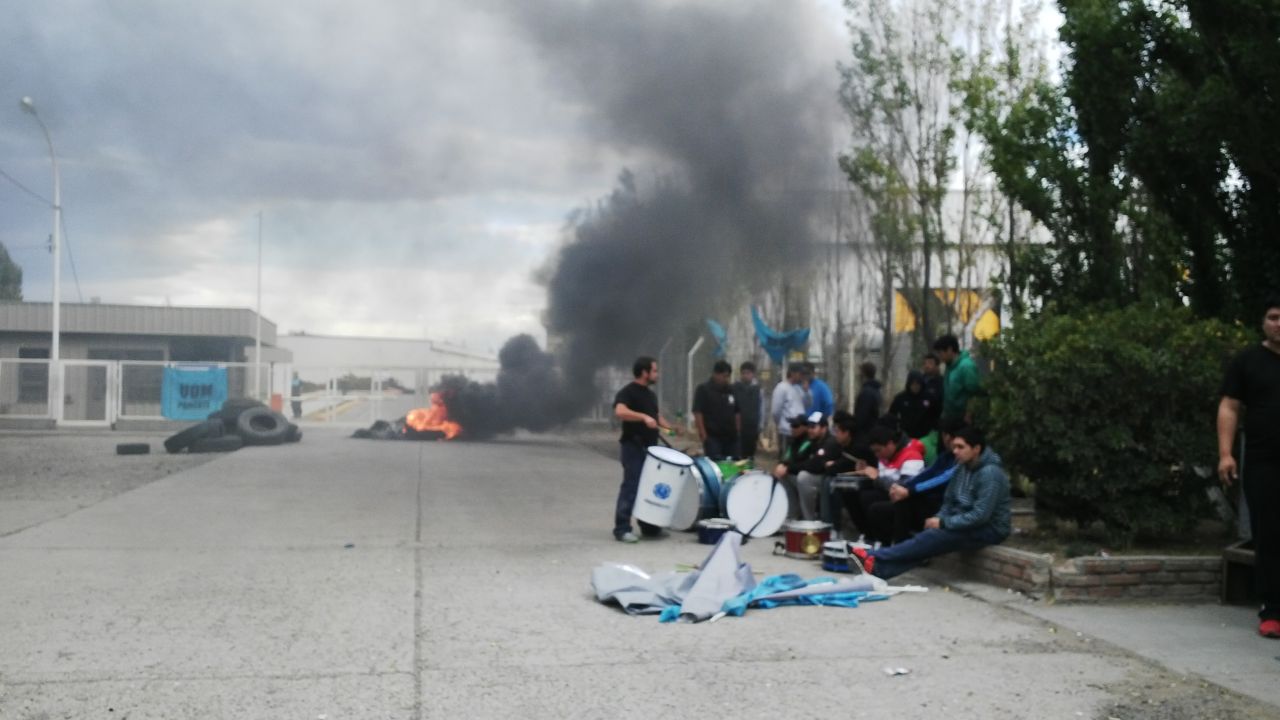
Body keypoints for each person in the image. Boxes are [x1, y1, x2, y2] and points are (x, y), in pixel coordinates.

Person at [853, 426, 1011, 579]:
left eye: (961, 447)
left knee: (934, 538)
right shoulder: (961, 468)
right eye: (954, 446)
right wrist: (939, 517)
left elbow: (980, 515)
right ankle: (880, 569)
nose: (955, 451)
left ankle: (874, 557)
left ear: (976, 449)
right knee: (930, 537)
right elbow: (949, 501)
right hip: (963, 520)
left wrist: (943, 522)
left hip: (989, 528)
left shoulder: (990, 474)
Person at [1218, 296, 1280, 638]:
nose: (1279, 324)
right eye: (1273, 317)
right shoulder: (1248, 361)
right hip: (1263, 462)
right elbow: (1229, 407)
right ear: (1263, 322)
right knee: (1269, 533)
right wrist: (1226, 454)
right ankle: (1271, 610)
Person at [866, 417, 964, 545]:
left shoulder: (961, 463)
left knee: (903, 503)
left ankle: (901, 550)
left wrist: (909, 490)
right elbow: (927, 474)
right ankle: (886, 548)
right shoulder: (945, 456)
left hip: (942, 506)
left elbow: (941, 479)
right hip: (925, 500)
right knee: (877, 508)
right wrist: (905, 488)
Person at [612, 356, 677, 543]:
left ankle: (649, 527)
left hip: (650, 449)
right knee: (631, 486)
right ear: (644, 372)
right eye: (655, 371)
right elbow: (620, 411)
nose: (658, 374)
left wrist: (671, 428)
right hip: (633, 446)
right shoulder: (628, 392)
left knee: (648, 488)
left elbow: (656, 417)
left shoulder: (650, 395)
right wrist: (642, 417)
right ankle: (622, 528)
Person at [841, 424, 926, 545]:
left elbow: (903, 488)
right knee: (851, 493)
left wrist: (878, 478)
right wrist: (866, 472)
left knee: (874, 506)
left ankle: (886, 543)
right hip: (889, 492)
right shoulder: (885, 456)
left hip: (908, 501)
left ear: (890, 444)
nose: (877, 455)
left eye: (878, 451)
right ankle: (869, 536)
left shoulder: (912, 456)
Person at [795, 412, 843, 522]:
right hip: (820, 476)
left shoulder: (830, 442)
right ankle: (795, 516)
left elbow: (816, 465)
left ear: (824, 428)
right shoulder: (812, 441)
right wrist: (788, 466)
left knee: (803, 477)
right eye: (809, 427)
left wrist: (793, 467)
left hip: (829, 477)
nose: (810, 430)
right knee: (789, 475)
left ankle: (810, 520)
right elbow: (801, 459)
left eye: (813, 427)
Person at [772, 413, 816, 520]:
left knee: (800, 477)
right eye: (791, 425)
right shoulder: (793, 441)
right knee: (780, 477)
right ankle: (791, 515)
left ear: (805, 427)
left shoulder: (810, 442)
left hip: (807, 478)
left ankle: (808, 518)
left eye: (796, 426)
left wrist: (787, 468)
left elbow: (805, 463)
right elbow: (787, 458)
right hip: (793, 475)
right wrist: (781, 466)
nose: (792, 428)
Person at [693, 360, 739, 460]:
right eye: (724, 376)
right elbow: (698, 412)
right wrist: (703, 435)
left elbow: (737, 412)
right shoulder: (703, 389)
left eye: (728, 376)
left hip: (731, 438)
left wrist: (737, 432)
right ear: (715, 374)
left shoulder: (731, 390)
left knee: (733, 465)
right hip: (713, 437)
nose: (726, 379)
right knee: (716, 465)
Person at [932, 335, 982, 424]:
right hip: (950, 418)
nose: (940, 357)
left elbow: (974, 393)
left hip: (963, 420)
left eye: (941, 353)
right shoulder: (949, 367)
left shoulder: (966, 367)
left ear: (950, 350)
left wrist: (969, 413)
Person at [770, 363, 807, 456]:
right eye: (800, 374)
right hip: (787, 431)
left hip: (801, 429)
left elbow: (808, 404)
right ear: (792, 373)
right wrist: (782, 424)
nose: (801, 376)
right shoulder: (781, 387)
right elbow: (775, 411)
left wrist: (807, 391)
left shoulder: (799, 388)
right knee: (786, 456)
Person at [888, 370, 934, 440]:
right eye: (913, 384)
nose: (915, 386)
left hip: (924, 436)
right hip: (906, 436)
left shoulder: (928, 397)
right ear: (909, 384)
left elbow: (935, 414)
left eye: (918, 384)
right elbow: (891, 415)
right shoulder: (900, 398)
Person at [732, 361, 765, 459]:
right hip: (738, 428)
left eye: (748, 373)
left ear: (753, 374)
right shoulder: (734, 388)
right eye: (743, 373)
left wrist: (760, 425)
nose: (746, 375)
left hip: (752, 426)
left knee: (750, 454)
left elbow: (762, 408)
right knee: (738, 453)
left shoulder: (758, 389)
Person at [851, 362, 882, 444]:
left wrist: (854, 429)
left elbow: (861, 416)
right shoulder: (876, 390)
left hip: (865, 435)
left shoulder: (866, 393)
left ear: (863, 374)